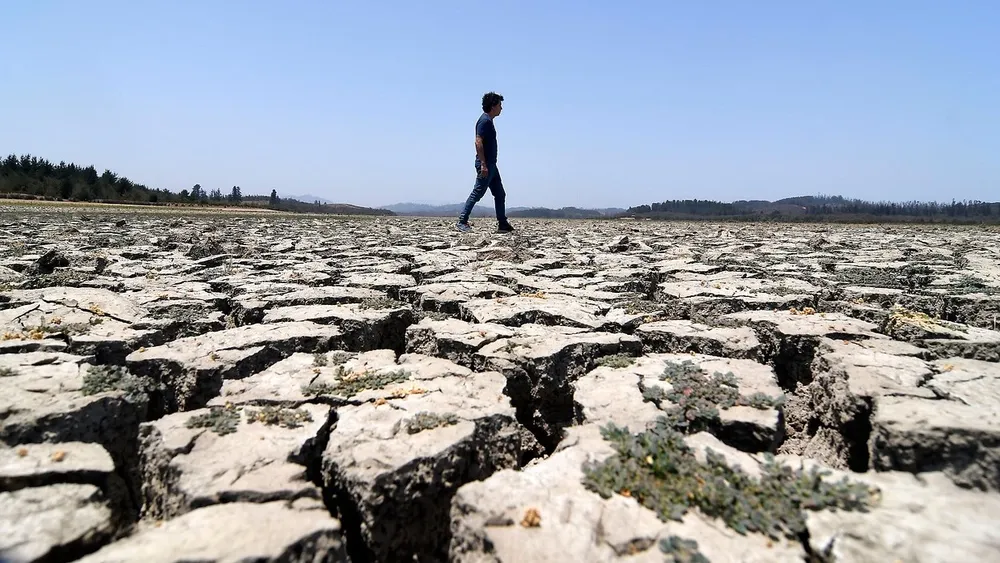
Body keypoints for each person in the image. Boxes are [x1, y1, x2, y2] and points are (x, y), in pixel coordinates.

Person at [456, 92, 514, 233]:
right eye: (500, 105)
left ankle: (502, 223)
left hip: (491, 165)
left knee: (500, 194)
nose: (501, 108)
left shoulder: (489, 121)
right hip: (486, 164)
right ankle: (462, 221)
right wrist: (483, 164)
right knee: (478, 192)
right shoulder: (485, 121)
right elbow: (478, 141)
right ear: (493, 106)